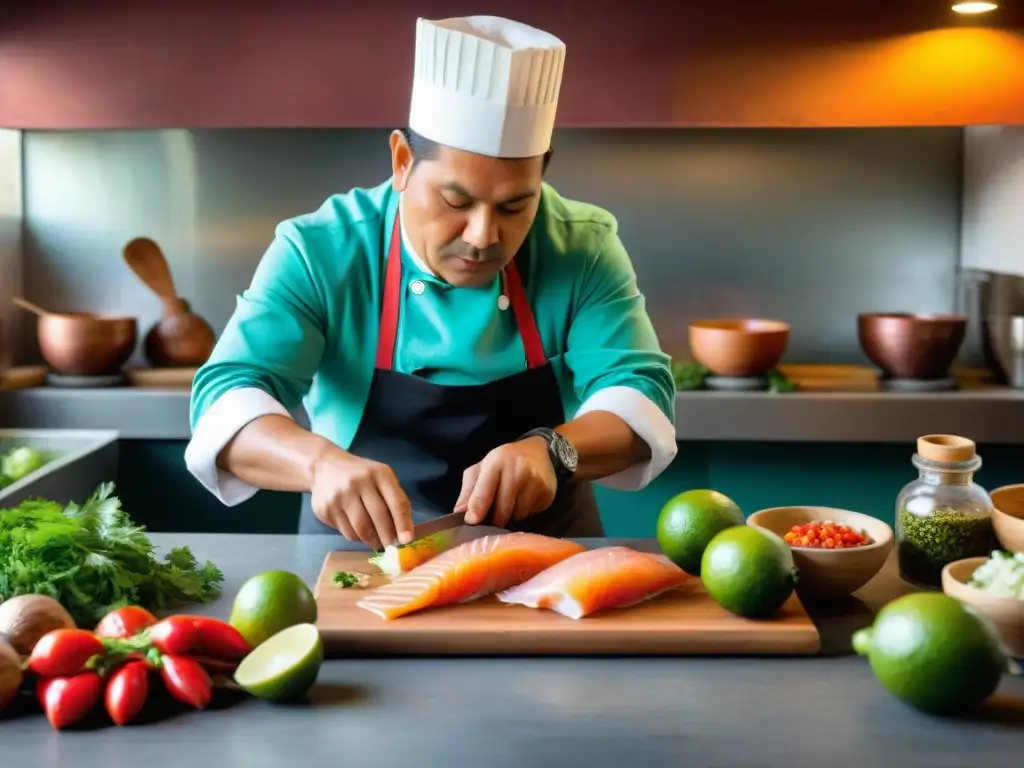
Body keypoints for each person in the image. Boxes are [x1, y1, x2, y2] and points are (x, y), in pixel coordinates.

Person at [184, 15, 678, 550]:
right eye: (455, 201)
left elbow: (640, 394)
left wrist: (551, 450)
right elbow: (227, 397)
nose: (484, 236)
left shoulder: (581, 245)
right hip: (360, 553)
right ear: (401, 162)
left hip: (548, 554)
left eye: (516, 204)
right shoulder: (322, 249)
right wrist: (318, 462)